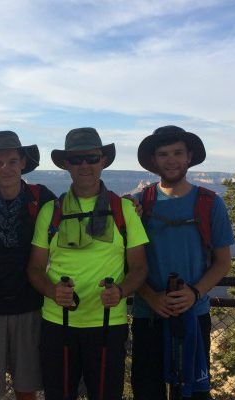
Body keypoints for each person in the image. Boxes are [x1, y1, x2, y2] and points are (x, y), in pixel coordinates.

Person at [28, 127, 148, 400]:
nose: (85, 165)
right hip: (58, 323)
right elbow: (35, 267)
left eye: (92, 158)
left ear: (103, 161)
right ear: (66, 165)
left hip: (108, 323)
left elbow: (140, 267)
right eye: (76, 159)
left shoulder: (123, 210)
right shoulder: (51, 211)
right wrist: (52, 291)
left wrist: (120, 291)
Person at [131, 125, 235, 400]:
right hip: (148, 316)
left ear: (189, 156)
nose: (171, 160)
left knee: (192, 394)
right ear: (154, 161)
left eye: (178, 152)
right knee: (147, 392)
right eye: (163, 154)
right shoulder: (139, 204)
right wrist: (151, 297)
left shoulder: (210, 203)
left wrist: (194, 293)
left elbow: (223, 262)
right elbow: (126, 262)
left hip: (194, 315)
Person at [0, 131, 56, 400]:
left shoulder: (41, 198)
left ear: (23, 163)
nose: (6, 168)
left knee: (26, 389)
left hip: (28, 305)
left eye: (12, 161)